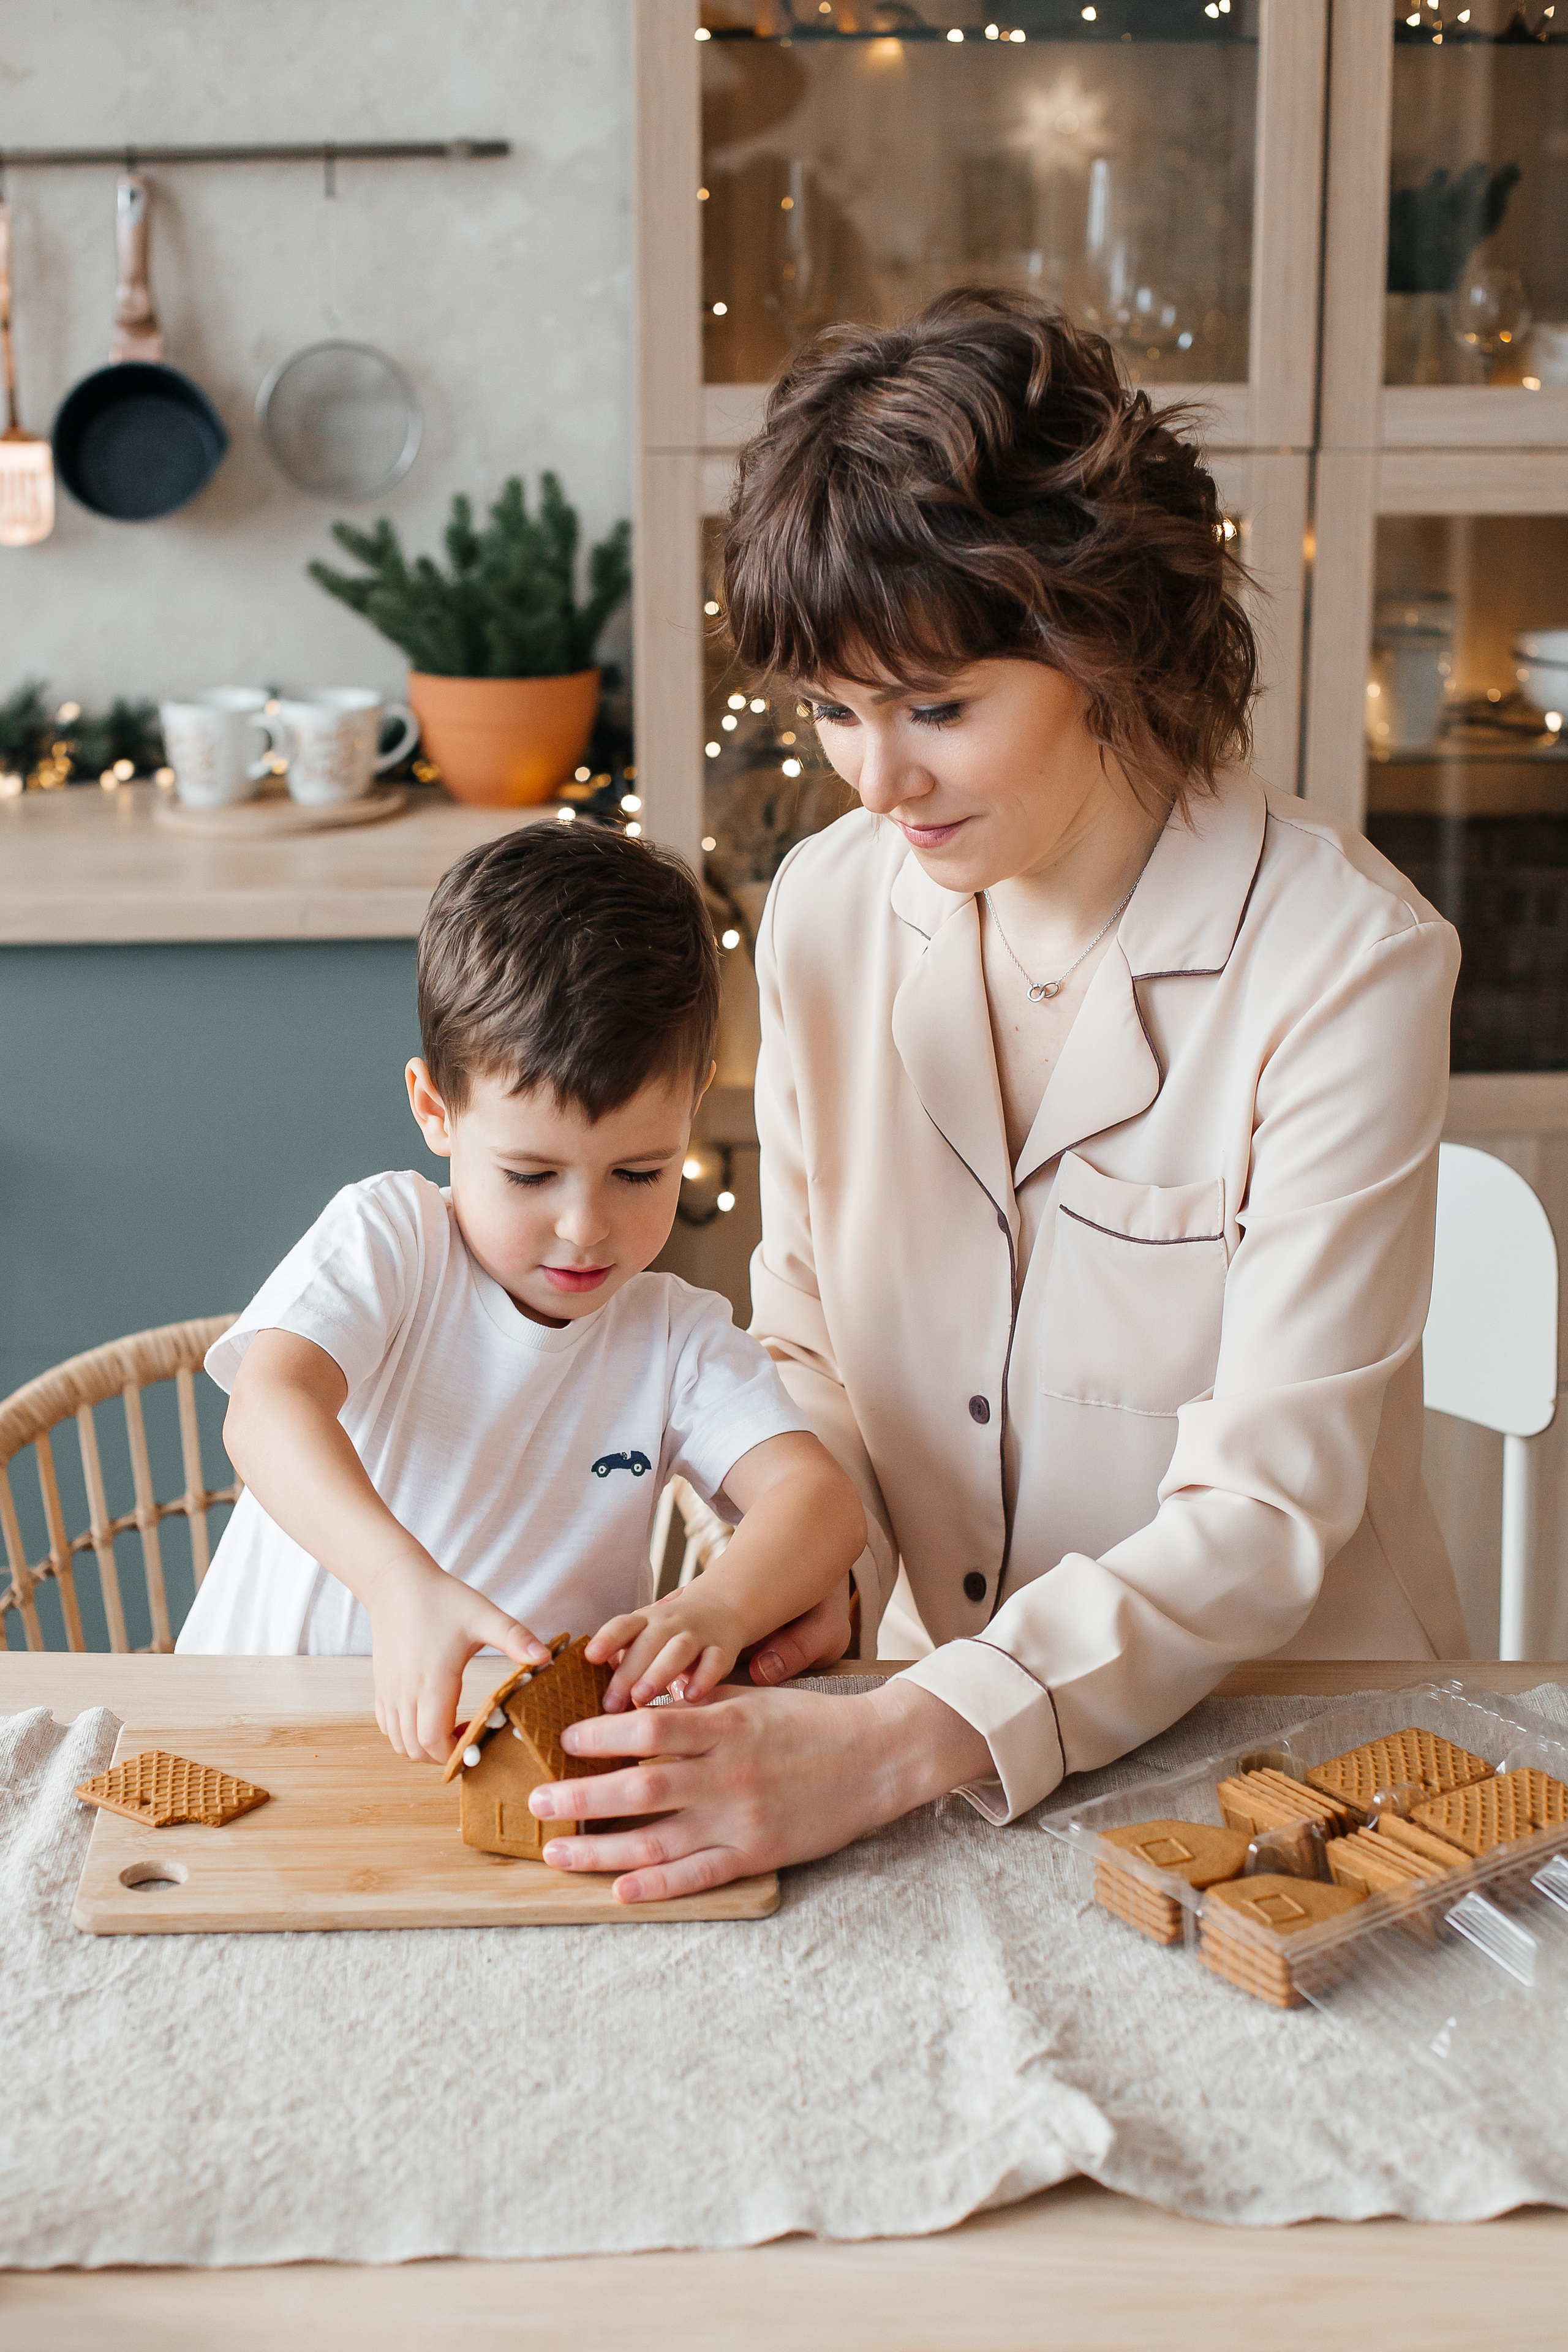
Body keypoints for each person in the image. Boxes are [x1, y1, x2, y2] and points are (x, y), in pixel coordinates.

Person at [530, 288, 1468, 1904]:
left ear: (1105, 643)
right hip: (933, 1749)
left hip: (1295, 1772)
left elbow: (1262, 1512)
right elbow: (812, 1334)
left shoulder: (1343, 962)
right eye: (832, 712)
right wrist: (803, 1568)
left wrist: (892, 1743)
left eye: (937, 710)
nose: (873, 782)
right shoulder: (830, 909)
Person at [176, 824, 867, 1757]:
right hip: (250, 1726)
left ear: (691, 1108)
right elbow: (266, 1410)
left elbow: (819, 1504)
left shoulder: (675, 1340)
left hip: (512, 1759)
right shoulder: (392, 1239)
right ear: (436, 1111)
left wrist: (716, 1606)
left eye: (639, 1173)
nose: (586, 1227)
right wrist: (399, 1584)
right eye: (532, 1176)